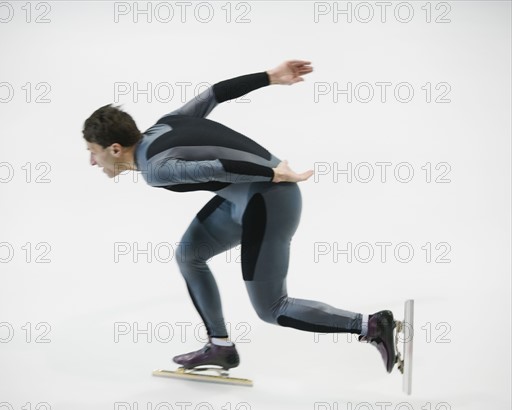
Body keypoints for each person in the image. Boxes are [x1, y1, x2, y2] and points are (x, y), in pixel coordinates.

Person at [82, 60, 397, 374]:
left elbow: (218, 167)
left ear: (114, 148)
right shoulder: (164, 124)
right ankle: (220, 346)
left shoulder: (155, 170)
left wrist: (272, 173)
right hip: (243, 198)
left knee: (272, 308)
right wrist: (270, 77)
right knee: (189, 255)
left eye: (92, 152)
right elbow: (215, 94)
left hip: (271, 200)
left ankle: (370, 325)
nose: (92, 162)